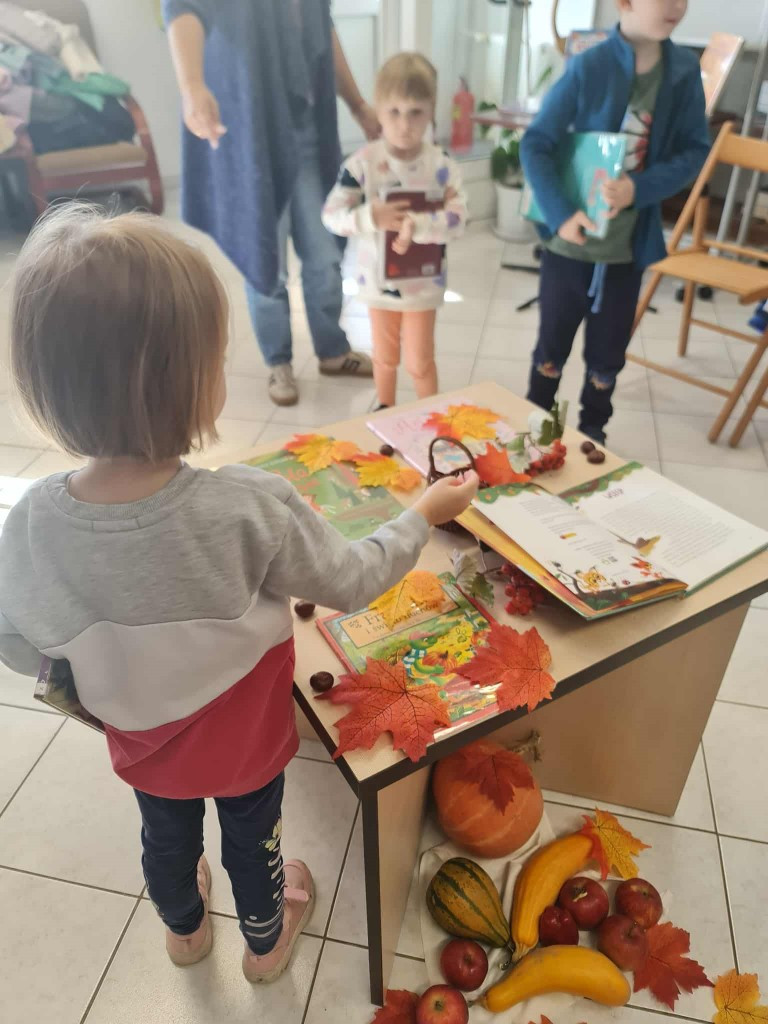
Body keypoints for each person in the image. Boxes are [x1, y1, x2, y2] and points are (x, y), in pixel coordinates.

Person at [0, 206, 479, 982]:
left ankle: (184, 934)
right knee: (256, 844)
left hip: (142, 749)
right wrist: (421, 513)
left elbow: (22, 646)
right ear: (186, 383)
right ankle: (265, 944)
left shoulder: (29, 526)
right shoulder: (248, 507)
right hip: (246, 749)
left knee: (165, 840)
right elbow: (353, 580)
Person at [163, 0, 381, 407]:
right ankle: (278, 362)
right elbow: (183, 8)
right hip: (254, 131)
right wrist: (191, 87)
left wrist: (358, 104)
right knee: (266, 258)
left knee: (325, 252)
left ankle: (333, 351)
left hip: (311, 128)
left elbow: (322, 28)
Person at [521, 0, 709, 443]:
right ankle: (533, 430)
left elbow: (694, 152)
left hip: (627, 251)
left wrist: (638, 189)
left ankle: (593, 432)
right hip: (569, 248)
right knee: (551, 346)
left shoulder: (683, 72)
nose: (677, 6)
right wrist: (561, 215)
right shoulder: (589, 64)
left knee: (608, 354)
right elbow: (536, 143)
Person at [322, 52, 468, 410]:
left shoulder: (442, 166)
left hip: (423, 287)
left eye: (416, 112)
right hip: (377, 286)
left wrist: (419, 225)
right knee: (384, 358)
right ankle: (385, 410)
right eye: (394, 112)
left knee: (420, 362)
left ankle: (430, 418)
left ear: (431, 110)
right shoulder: (362, 164)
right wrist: (370, 216)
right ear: (378, 110)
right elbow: (331, 215)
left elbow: (459, 218)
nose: (405, 124)